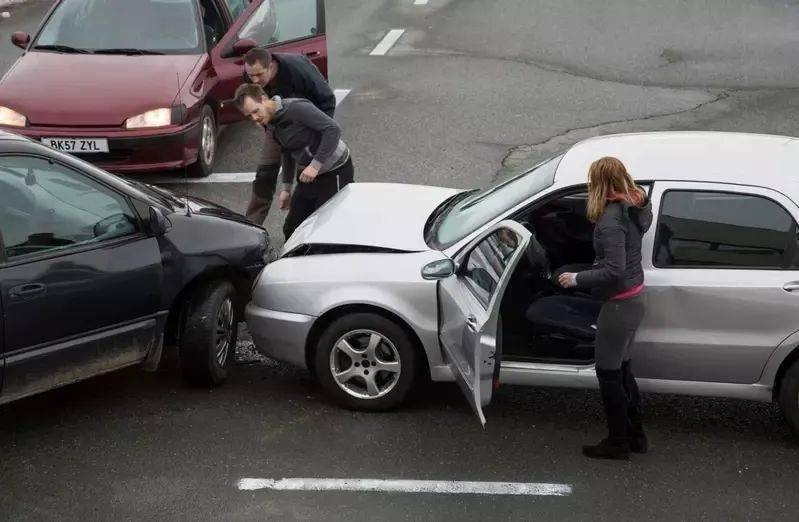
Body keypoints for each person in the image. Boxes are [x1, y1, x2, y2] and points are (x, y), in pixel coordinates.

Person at [557, 156, 652, 460]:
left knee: (608, 373)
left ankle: (617, 443)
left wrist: (576, 279)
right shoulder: (636, 205)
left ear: (598, 183)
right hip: (635, 299)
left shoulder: (611, 220)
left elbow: (615, 270)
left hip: (619, 305)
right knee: (623, 370)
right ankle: (636, 436)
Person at [233, 83, 353, 239]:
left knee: (326, 228)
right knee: (292, 227)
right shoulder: (270, 123)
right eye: (249, 116)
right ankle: (293, 262)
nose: (255, 118)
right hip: (308, 175)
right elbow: (287, 151)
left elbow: (333, 129)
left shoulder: (296, 108)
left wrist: (315, 165)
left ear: (263, 99)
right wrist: (286, 188)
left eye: (255, 111)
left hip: (335, 170)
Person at [241, 47, 337, 226]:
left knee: (308, 178)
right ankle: (251, 227)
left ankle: (311, 226)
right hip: (275, 125)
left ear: (270, 66)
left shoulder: (297, 69)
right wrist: (271, 130)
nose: (254, 80)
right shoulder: (251, 75)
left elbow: (327, 99)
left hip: (307, 124)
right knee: (264, 175)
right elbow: (254, 104)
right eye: (250, 76)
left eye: (258, 75)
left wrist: (317, 140)